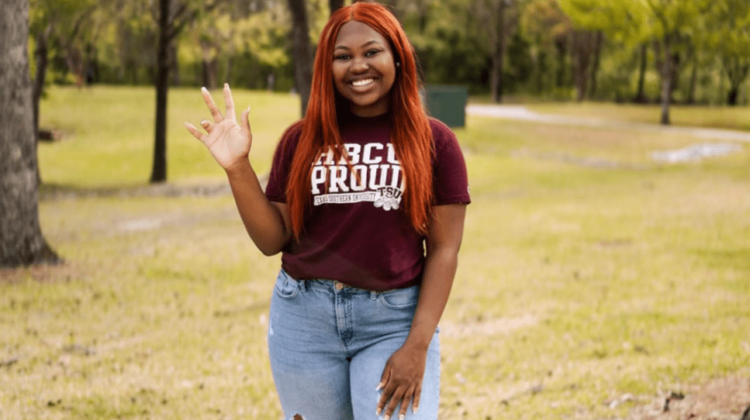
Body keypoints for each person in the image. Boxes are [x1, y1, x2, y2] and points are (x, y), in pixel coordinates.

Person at [184, 2, 469, 419]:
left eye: (372, 52)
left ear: (397, 57)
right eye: (343, 56)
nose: (358, 66)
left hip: (392, 321)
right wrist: (237, 168)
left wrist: (418, 344)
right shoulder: (301, 141)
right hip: (304, 320)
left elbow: (444, 250)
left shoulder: (435, 142)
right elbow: (272, 239)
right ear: (326, 66)